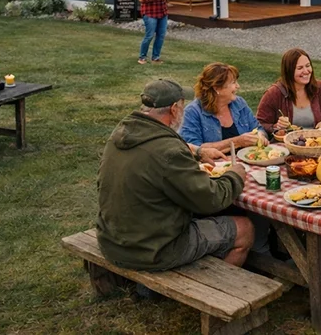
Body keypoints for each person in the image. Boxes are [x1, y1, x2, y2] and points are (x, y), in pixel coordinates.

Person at [96, 78, 255, 273]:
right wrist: (235, 174)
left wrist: (197, 152)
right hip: (154, 250)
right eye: (182, 106)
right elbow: (211, 199)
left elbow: (160, 151)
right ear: (173, 109)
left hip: (113, 240)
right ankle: (213, 291)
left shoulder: (123, 133)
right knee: (244, 228)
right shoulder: (168, 152)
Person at [181, 62, 266, 154]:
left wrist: (260, 136)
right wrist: (237, 142)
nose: (238, 86)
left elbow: (258, 128)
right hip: (213, 166)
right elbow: (192, 148)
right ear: (217, 88)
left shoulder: (239, 103)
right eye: (233, 82)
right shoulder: (193, 112)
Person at [257, 47, 321, 134]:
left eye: (308, 66)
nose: (306, 71)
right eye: (300, 68)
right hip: (286, 145)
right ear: (289, 71)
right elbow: (259, 124)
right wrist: (276, 127)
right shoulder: (274, 93)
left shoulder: (320, 88)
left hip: (317, 142)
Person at [136, 0, 169, 65]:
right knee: (149, 35)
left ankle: (156, 57)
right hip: (150, 13)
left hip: (162, 12)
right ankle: (142, 57)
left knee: (161, 35)